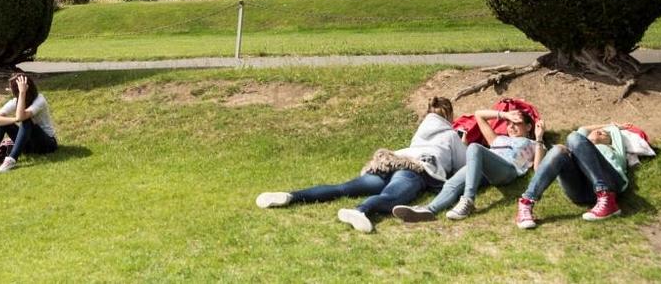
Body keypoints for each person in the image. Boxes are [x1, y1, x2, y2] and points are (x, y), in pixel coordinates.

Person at [255, 97, 466, 234]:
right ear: (448, 115)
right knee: (392, 196)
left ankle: (291, 195)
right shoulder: (450, 134)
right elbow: (463, 165)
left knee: (344, 188)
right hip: (415, 168)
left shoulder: (420, 131)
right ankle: (361, 210)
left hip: (390, 160)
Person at [393, 108, 545, 223]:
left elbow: (538, 169)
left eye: (516, 123)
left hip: (507, 170)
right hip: (484, 169)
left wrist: (539, 138)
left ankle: (468, 200)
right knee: (453, 183)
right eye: (509, 124)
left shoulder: (533, 144)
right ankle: (429, 210)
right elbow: (479, 114)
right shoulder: (497, 139)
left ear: (528, 127)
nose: (511, 127)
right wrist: (504, 115)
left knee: (474, 147)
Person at [515, 122, 631, 228]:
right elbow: (583, 130)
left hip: (611, 183)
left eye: (605, 134)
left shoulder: (614, 148)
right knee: (559, 149)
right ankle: (526, 203)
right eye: (597, 131)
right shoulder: (581, 144)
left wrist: (616, 127)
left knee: (573, 137)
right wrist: (610, 124)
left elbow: (614, 132)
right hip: (581, 192)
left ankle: (606, 198)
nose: (599, 131)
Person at [0, 71, 57, 173]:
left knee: (26, 120)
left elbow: (21, 117)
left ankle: (11, 160)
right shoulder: (16, 101)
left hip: (47, 144)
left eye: (12, 89)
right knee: (2, 124)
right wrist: (14, 120)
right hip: (28, 146)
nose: (10, 91)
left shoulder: (40, 100)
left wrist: (22, 93)